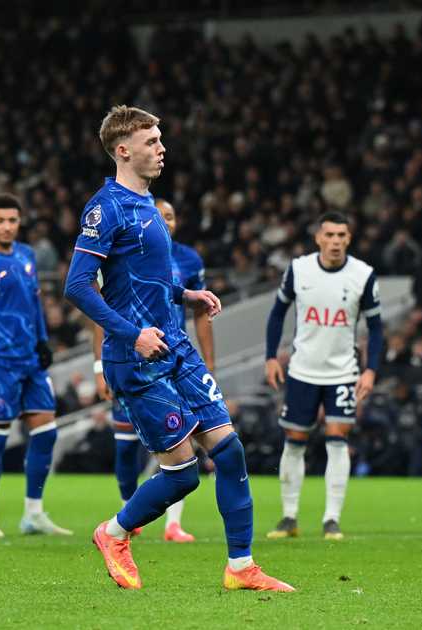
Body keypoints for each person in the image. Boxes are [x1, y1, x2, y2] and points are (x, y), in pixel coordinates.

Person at [64, 105, 292, 592]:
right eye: (151, 141)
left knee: (229, 451)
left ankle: (241, 567)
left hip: (176, 346)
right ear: (123, 150)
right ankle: (113, 533)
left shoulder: (148, 203)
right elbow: (78, 286)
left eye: (160, 139)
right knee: (184, 474)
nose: (162, 148)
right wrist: (132, 334)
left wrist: (184, 294)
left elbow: (139, 280)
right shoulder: (106, 209)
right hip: (137, 358)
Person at [89, 197, 212, 543]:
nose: (165, 221)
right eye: (160, 216)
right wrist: (98, 366)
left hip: (173, 361)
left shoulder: (189, 260)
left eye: (170, 216)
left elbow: (200, 313)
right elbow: (98, 311)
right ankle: (128, 514)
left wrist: (208, 363)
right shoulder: (123, 254)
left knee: (183, 441)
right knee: (127, 445)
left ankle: (173, 524)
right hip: (129, 360)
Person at [0, 193, 71, 539]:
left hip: (30, 358)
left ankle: (33, 513)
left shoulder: (26, 255)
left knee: (46, 432)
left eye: (13, 220)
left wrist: (43, 340)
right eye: (0, 221)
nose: (7, 226)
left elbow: (34, 304)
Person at [262, 211, 384, 541]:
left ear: (349, 239)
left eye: (341, 235)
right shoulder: (299, 269)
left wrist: (371, 369)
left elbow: (376, 328)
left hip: (343, 372)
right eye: (329, 235)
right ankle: (289, 517)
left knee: (337, 439)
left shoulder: (363, 275)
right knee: (294, 440)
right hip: (303, 370)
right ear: (318, 238)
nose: (335, 242)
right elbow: (277, 314)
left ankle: (332, 519)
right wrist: (271, 357)